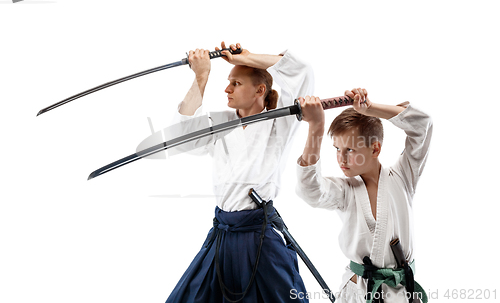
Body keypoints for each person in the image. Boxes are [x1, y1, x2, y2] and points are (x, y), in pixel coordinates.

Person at [165, 42, 314, 303]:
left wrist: (247, 58)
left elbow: (302, 72)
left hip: (259, 234)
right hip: (222, 232)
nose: (227, 88)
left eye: (236, 83)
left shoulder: (281, 122)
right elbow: (180, 137)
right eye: (228, 81)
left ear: (260, 90)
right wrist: (201, 76)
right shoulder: (218, 123)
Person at [296, 89, 432, 303]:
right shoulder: (345, 190)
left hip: (402, 291)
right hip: (358, 292)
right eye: (337, 148)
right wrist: (316, 127)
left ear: (375, 148)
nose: (341, 158)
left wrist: (371, 108)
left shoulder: (403, 176)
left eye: (350, 150)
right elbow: (310, 189)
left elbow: (422, 125)